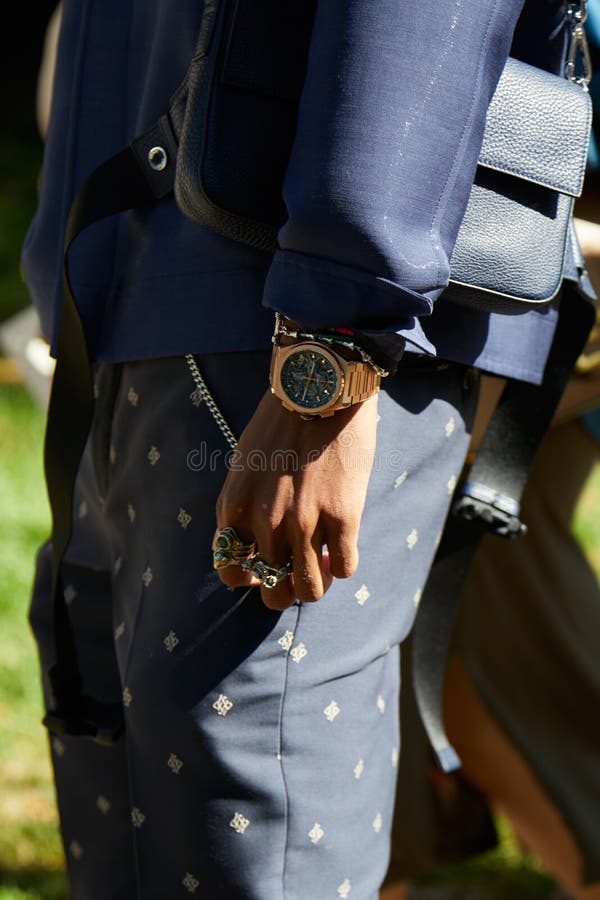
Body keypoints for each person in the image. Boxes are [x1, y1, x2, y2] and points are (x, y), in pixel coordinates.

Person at [21, 1, 586, 898]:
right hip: (132, 285)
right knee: (126, 757)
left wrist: (338, 338)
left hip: (286, 309)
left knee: (239, 776)